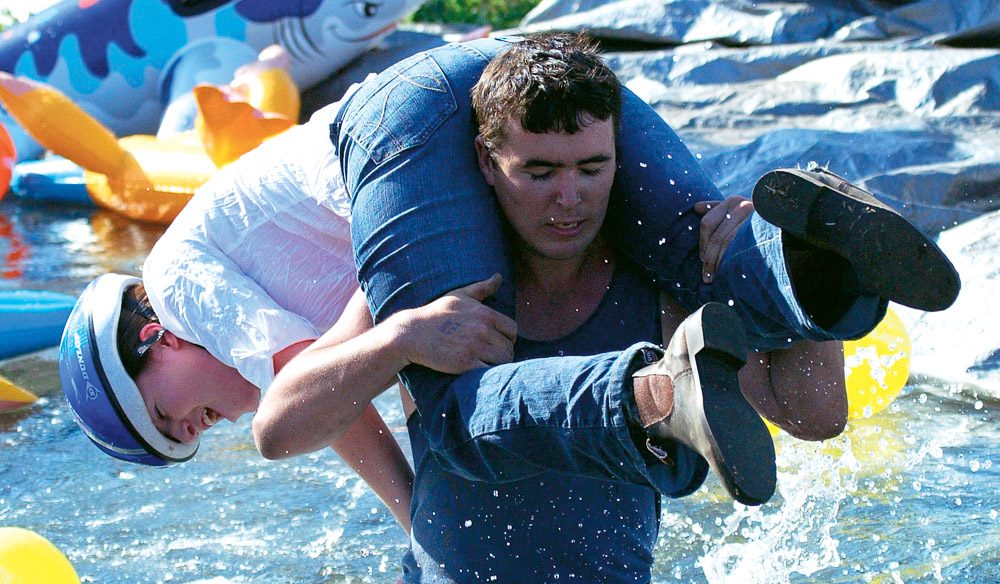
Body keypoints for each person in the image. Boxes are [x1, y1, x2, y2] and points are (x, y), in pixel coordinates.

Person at [260, 32, 960, 581]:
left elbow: (814, 415)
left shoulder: (657, 288)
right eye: (539, 172)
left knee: (752, 312)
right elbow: (277, 430)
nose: (569, 198)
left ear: (618, 159)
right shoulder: (438, 295)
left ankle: (811, 269)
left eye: (591, 168)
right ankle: (645, 393)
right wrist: (397, 342)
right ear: (484, 162)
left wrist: (802, 305)